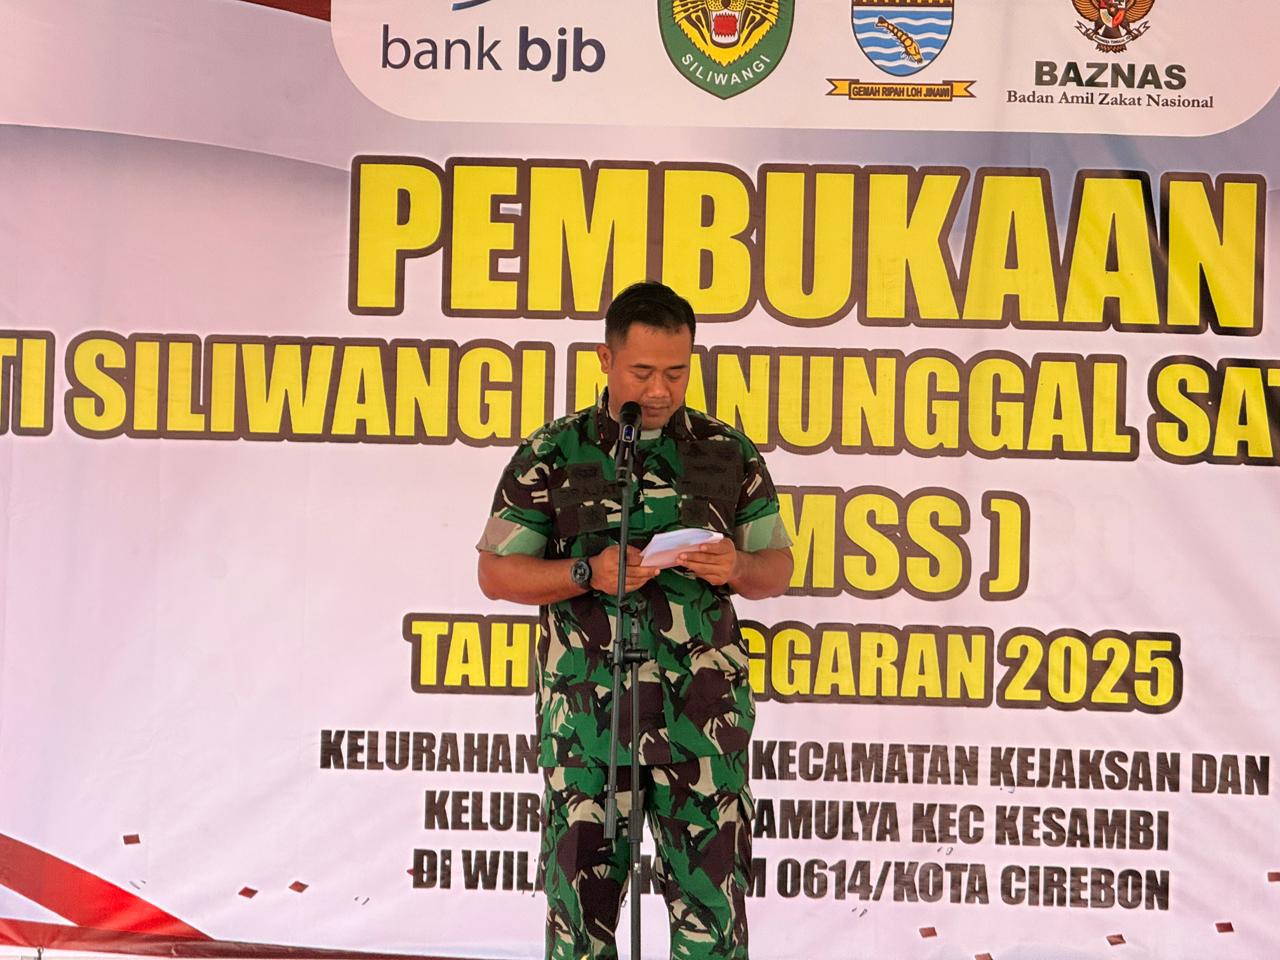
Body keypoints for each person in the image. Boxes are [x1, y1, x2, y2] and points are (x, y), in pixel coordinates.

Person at [476, 281, 793, 960]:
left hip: (700, 723)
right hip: (590, 723)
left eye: (676, 372)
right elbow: (497, 574)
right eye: (642, 371)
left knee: (712, 920)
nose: (659, 390)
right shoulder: (554, 452)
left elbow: (776, 569)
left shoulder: (725, 451)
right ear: (606, 359)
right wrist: (585, 573)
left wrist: (736, 565)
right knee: (578, 922)